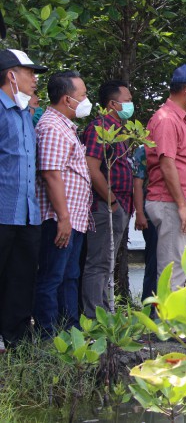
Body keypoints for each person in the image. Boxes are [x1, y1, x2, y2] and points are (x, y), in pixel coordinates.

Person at [34, 71, 93, 337]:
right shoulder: (52, 127)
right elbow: (50, 173)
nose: (86, 100)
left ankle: (71, 332)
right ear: (67, 99)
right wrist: (64, 218)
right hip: (60, 219)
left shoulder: (65, 126)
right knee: (52, 277)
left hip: (74, 219)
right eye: (82, 95)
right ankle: (48, 336)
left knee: (69, 276)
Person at [145, 64, 186, 291]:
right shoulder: (166, 119)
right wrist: (182, 206)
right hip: (171, 204)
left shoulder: (182, 120)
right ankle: (169, 325)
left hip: (185, 204)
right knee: (173, 271)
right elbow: (167, 164)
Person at [0, 48, 46, 348]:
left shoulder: (23, 114)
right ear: (11, 75)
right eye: (30, 73)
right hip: (3, 211)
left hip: (28, 213)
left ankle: (14, 337)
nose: (34, 79)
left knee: (22, 275)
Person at [80, 80, 134, 317]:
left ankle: (104, 312)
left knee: (107, 263)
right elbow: (92, 168)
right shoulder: (99, 129)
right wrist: (111, 201)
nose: (132, 104)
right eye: (128, 100)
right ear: (113, 104)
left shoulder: (120, 132)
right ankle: (94, 316)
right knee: (98, 263)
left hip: (119, 204)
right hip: (104, 206)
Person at [131, 145, 158, 310]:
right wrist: (139, 213)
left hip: (174, 214)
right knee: (153, 262)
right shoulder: (144, 150)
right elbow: (137, 183)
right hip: (152, 213)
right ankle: (149, 308)